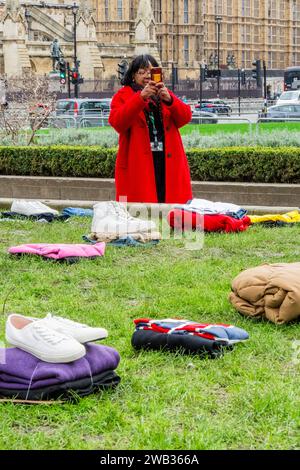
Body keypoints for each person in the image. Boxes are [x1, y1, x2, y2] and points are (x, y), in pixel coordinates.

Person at [109, 54, 193, 203]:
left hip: (167, 160)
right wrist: (140, 98)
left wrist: (170, 100)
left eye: (151, 72)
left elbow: (185, 117)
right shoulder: (123, 95)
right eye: (142, 72)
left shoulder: (163, 93)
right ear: (133, 76)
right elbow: (117, 123)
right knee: (141, 210)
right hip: (138, 163)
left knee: (171, 206)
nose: (147, 76)